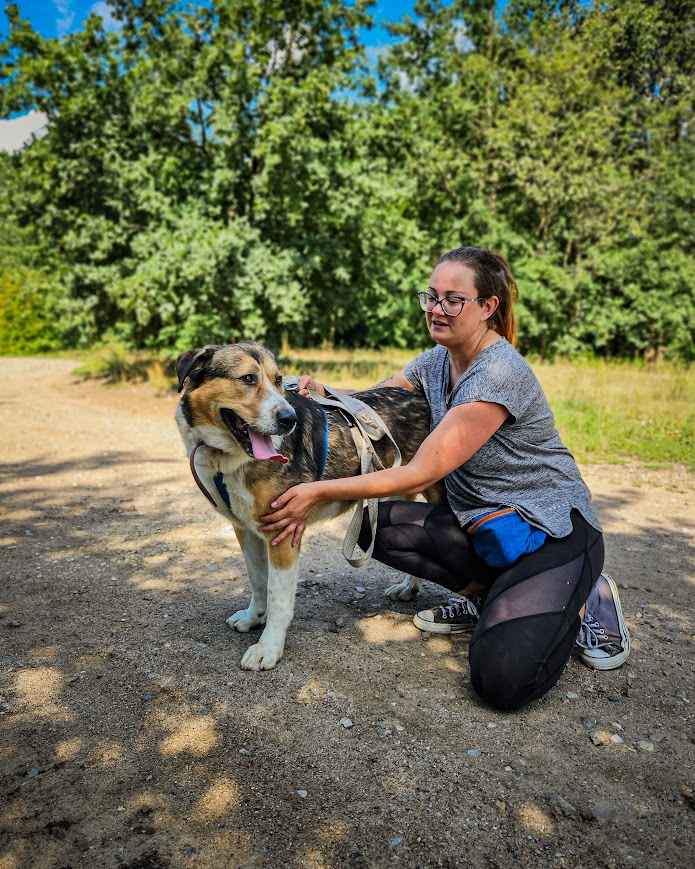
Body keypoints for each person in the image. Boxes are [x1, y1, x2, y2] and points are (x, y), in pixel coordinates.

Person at [261, 246, 630, 711]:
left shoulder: (497, 374)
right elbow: (378, 400)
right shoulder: (436, 360)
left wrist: (313, 490)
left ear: (488, 307)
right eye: (431, 296)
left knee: (501, 681)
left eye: (453, 299)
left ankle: (585, 597)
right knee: (380, 526)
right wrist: (326, 392)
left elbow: (419, 472)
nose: (436, 308)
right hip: (486, 527)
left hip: (550, 529)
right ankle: (491, 596)